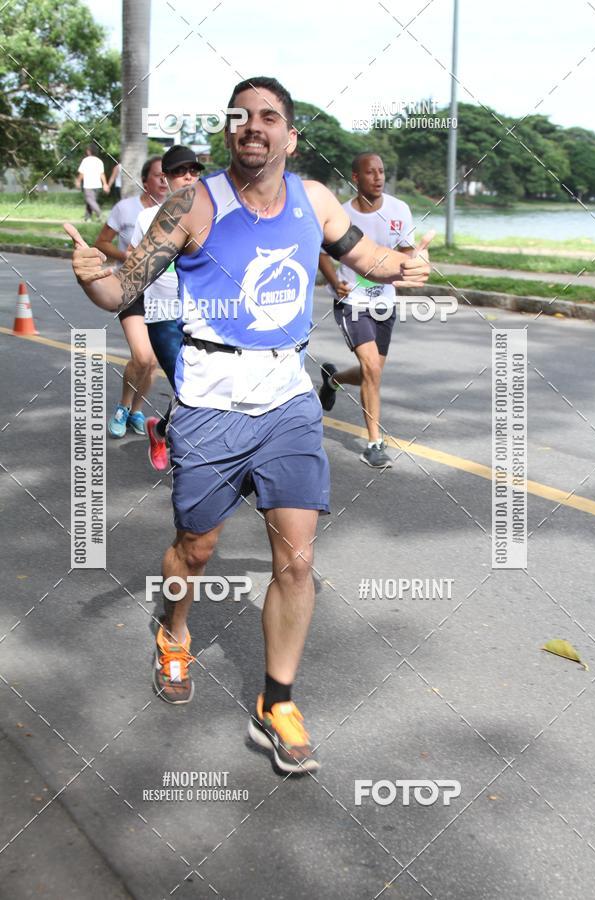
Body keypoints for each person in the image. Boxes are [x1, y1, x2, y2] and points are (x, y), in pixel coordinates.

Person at [64, 76, 432, 774]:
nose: (254, 127)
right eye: (242, 117)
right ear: (230, 133)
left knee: (296, 560)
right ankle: (175, 633)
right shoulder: (192, 202)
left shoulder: (315, 199)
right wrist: (91, 276)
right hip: (209, 398)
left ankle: (277, 702)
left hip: (288, 400)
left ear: (290, 137)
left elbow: (367, 256)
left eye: (269, 117)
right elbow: (123, 287)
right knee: (195, 549)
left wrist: (406, 264)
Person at [318, 152, 416, 468]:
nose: (378, 177)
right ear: (355, 178)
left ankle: (332, 380)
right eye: (370, 172)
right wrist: (335, 281)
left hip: (384, 303)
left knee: (370, 373)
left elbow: (406, 253)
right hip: (352, 303)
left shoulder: (400, 210)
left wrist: (410, 266)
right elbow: (323, 253)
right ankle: (374, 443)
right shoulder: (342, 216)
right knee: (372, 367)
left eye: (382, 171)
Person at [128, 145, 204, 470]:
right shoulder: (148, 218)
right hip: (161, 315)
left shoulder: (211, 215)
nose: (187, 176)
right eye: (178, 171)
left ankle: (159, 430)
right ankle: (193, 461)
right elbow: (134, 262)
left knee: (201, 388)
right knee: (188, 388)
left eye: (193, 170)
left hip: (203, 316)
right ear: (166, 178)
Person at [95, 157, 168, 438]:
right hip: (131, 288)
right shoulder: (126, 209)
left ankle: (137, 410)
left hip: (164, 293)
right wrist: (126, 255)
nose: (164, 180)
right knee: (142, 356)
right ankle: (123, 406)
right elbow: (101, 242)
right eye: (158, 175)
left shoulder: (176, 212)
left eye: (167, 175)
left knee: (152, 362)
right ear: (146, 179)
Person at [75, 145, 108, 221]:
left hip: (89, 184)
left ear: (89, 151)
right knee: (90, 201)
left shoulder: (86, 160)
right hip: (97, 185)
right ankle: (87, 218)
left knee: (90, 200)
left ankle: (100, 214)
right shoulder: (99, 161)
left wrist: (78, 181)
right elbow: (102, 174)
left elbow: (82, 173)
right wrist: (105, 184)